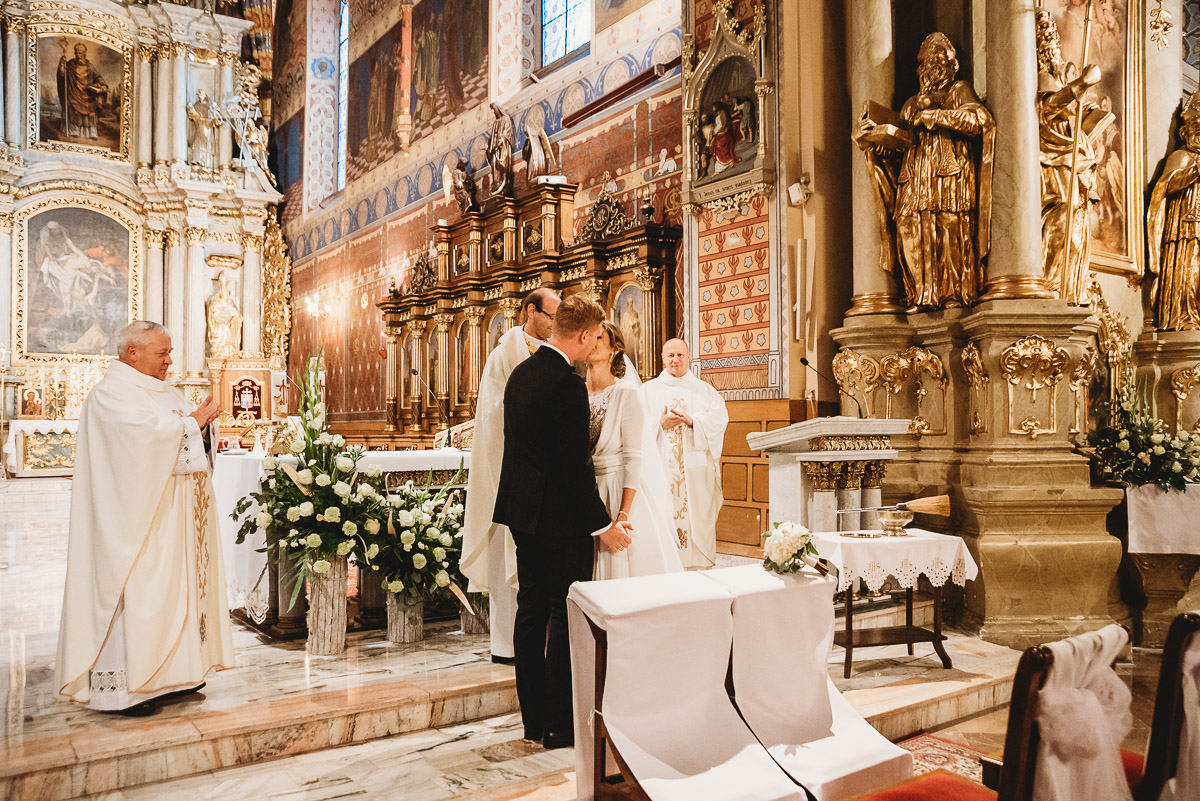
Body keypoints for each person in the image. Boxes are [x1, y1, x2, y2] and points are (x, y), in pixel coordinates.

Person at [56, 321, 233, 716]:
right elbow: (140, 442)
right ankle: (126, 691)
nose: (170, 360)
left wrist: (199, 426)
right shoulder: (110, 395)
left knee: (173, 596)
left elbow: (178, 435)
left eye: (170, 352)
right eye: (162, 353)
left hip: (171, 519)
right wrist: (191, 424)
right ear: (132, 353)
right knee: (137, 596)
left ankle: (175, 677)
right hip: (134, 525)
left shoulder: (163, 391)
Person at [492, 295, 632, 749]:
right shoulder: (566, 385)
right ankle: (560, 724)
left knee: (530, 612)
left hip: (522, 513)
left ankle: (533, 720)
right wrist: (602, 525)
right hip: (559, 521)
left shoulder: (521, 374)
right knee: (564, 615)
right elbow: (573, 468)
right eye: (594, 337)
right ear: (586, 335)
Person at [461, 288, 561, 664]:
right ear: (530, 311)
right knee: (510, 559)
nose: (555, 323)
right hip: (511, 472)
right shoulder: (503, 354)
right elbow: (491, 415)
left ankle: (545, 643)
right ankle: (507, 645)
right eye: (551, 315)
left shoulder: (557, 352)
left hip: (546, 477)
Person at [586, 322, 683, 580]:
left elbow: (632, 456)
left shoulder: (625, 392)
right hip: (586, 492)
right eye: (590, 337)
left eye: (600, 338)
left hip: (618, 489)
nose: (592, 342)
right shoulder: (576, 391)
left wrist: (622, 514)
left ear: (614, 350)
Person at [1037, 10, 1110, 307]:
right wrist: (1083, 83)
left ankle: (1068, 287)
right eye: (1047, 41)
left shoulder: (1058, 74)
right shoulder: (1041, 76)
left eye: (1053, 40)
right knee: (1062, 213)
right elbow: (1048, 108)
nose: (1053, 47)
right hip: (1054, 157)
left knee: (1077, 226)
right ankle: (1049, 284)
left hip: (1074, 156)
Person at [643, 338, 729, 570]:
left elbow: (720, 420)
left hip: (696, 473)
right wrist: (659, 424)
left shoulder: (704, 391)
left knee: (696, 519)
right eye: (670, 355)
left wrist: (693, 421)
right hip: (660, 470)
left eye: (680, 355)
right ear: (662, 358)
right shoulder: (647, 391)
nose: (675, 360)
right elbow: (635, 427)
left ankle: (698, 564)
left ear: (689, 357)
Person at [1148, 91, 1200, 331]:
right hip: (1185, 227)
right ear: (1186, 131)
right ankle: (1183, 316)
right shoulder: (1181, 156)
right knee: (1188, 271)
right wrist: (1195, 171)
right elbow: (1166, 185)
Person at [57, 41, 108, 140]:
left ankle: (91, 133)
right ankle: (74, 131)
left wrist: (103, 85)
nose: (77, 55)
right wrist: (62, 64)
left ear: (85, 53)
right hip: (74, 93)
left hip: (88, 95)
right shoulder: (70, 65)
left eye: (80, 53)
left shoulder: (90, 67)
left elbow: (98, 78)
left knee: (91, 114)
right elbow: (62, 75)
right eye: (76, 53)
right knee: (74, 111)